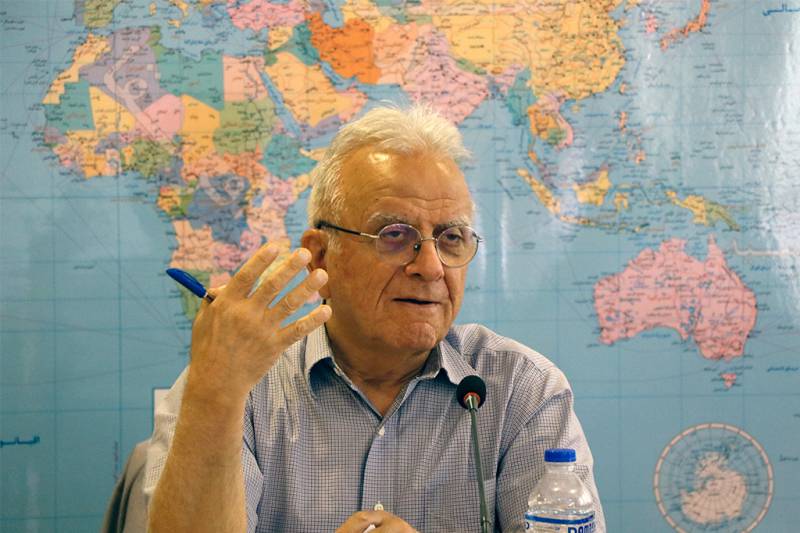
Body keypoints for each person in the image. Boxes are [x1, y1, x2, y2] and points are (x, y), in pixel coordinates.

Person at [144, 104, 605, 532]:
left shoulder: (521, 390)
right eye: (395, 235)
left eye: (451, 238)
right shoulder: (236, 387)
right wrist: (216, 394)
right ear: (321, 256)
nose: (430, 267)